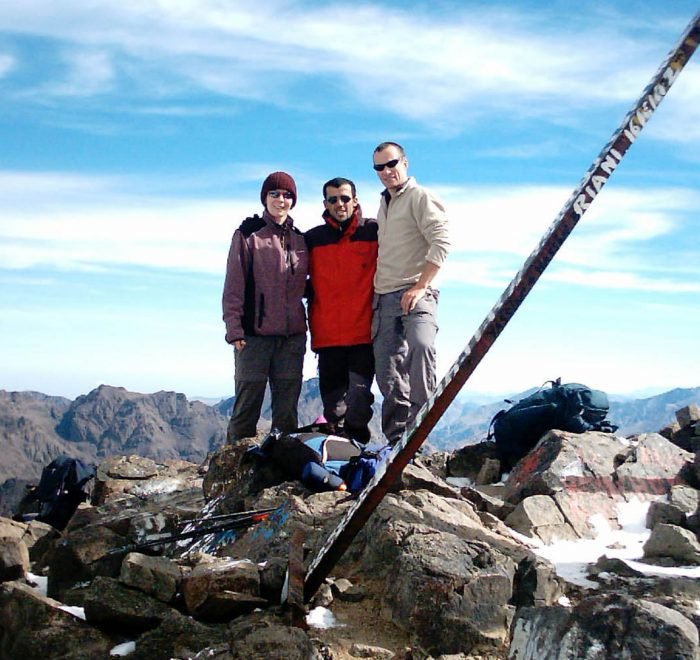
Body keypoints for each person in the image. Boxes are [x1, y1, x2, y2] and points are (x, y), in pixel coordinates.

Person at [371, 142, 450, 445]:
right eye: (379, 167)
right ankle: (395, 442)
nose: (386, 172)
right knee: (388, 372)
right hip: (384, 296)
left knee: (421, 347)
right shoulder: (384, 203)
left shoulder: (420, 197)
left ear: (404, 162)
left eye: (391, 164)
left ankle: (421, 432)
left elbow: (442, 241)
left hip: (417, 292)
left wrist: (420, 286)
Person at [222, 171, 309, 443]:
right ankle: (231, 475)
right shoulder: (248, 234)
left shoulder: (300, 239)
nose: (280, 200)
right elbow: (234, 285)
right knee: (246, 409)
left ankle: (281, 471)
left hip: (291, 338)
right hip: (253, 337)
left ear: (293, 200)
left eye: (286, 195)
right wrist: (234, 330)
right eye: (274, 194)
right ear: (264, 198)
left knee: (286, 413)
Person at [305, 177, 378, 444]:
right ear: (325, 203)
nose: (340, 204)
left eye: (345, 198)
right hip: (327, 336)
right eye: (333, 199)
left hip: (363, 333)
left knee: (359, 400)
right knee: (333, 407)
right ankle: (339, 455)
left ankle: (359, 444)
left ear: (355, 201)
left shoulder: (374, 232)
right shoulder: (312, 239)